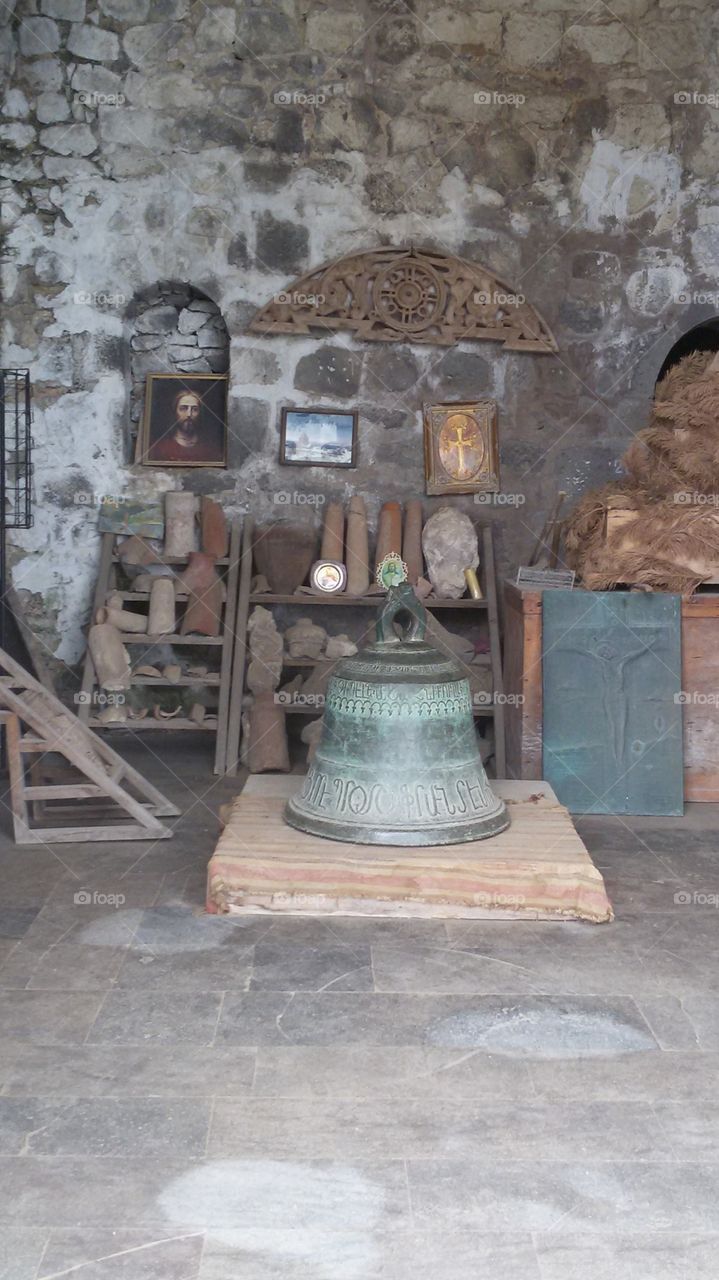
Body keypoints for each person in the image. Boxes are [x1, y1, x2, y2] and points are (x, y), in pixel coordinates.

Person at [147, 388, 223, 464]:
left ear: (200, 413)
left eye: (194, 409)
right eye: (183, 408)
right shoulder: (161, 447)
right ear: (175, 412)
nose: (189, 414)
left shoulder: (210, 448)